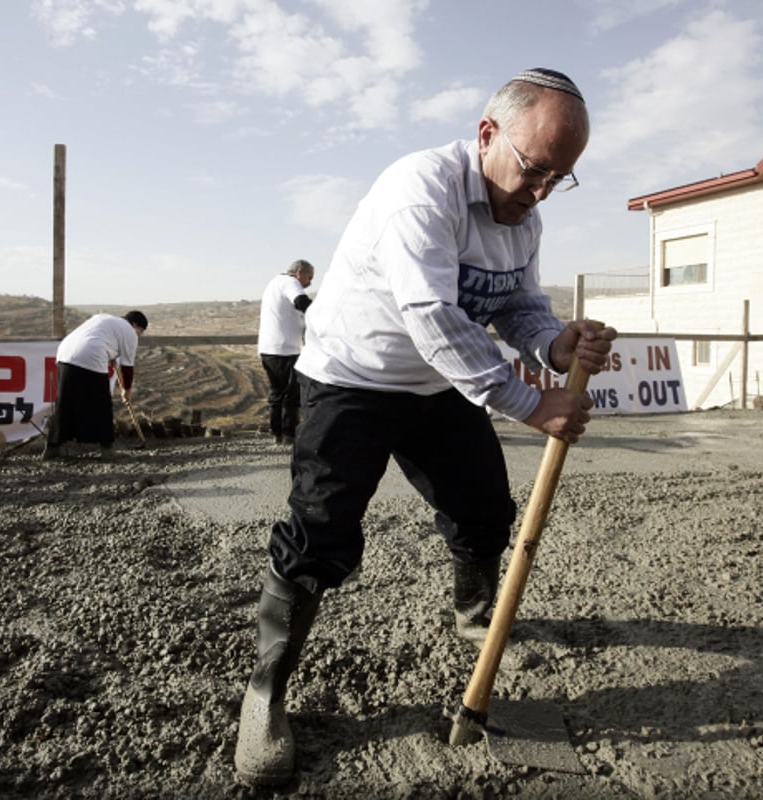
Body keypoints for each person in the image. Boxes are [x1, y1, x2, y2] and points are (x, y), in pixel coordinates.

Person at [234, 68, 617, 785]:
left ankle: (475, 618)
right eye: (535, 169)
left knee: (481, 510)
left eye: (559, 179)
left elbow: (516, 307)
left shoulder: (523, 219)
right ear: (486, 133)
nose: (540, 192)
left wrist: (555, 343)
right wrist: (531, 403)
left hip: (439, 387)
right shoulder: (421, 189)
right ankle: (265, 693)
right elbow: (435, 316)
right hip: (352, 378)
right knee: (319, 535)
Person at [43, 310, 147, 461]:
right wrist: (127, 390)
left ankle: (52, 447)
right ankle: (107, 450)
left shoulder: (102, 318)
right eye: (141, 331)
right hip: (91, 355)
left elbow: (99, 338)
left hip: (65, 354)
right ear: (135, 324)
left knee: (65, 403)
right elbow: (127, 367)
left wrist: (110, 356)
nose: (140, 335)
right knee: (101, 404)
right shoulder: (129, 332)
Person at [256, 259, 315, 446]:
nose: (310, 282)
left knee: (277, 393)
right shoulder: (290, 282)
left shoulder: (275, 282)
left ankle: (277, 434)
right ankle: (289, 435)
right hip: (284, 350)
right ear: (299, 272)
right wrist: (320, 313)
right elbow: (300, 301)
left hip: (268, 349)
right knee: (291, 394)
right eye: (309, 276)